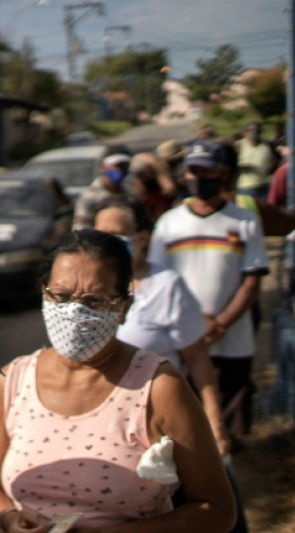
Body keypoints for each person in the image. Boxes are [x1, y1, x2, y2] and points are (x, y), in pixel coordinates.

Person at [0, 229, 235, 532]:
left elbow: (217, 510)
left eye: (95, 300)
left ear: (124, 307)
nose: (75, 311)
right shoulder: (12, 382)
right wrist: (8, 518)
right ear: (44, 294)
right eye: (61, 296)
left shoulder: (157, 387)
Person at [149, 141, 269, 441]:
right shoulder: (168, 223)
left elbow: (252, 281)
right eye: (192, 170)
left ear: (223, 173)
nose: (199, 177)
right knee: (184, 423)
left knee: (232, 425)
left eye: (207, 170)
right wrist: (191, 322)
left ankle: (230, 480)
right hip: (182, 339)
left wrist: (220, 322)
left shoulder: (245, 222)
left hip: (232, 339)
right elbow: (158, 281)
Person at [92, 198, 229, 454]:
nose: (107, 244)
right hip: (100, 427)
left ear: (142, 238)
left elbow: (198, 359)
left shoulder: (167, 286)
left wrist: (215, 429)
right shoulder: (84, 290)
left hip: (156, 426)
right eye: (100, 235)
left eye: (117, 235)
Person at [73, 153, 133, 230]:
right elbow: (81, 228)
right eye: (116, 166)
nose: (120, 170)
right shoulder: (89, 197)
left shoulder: (130, 193)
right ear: (102, 167)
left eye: (123, 167)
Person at [235, 123, 275, 200]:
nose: (253, 133)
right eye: (251, 130)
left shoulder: (267, 145)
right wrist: (242, 167)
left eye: (257, 131)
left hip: (263, 187)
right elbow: (232, 163)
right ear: (245, 132)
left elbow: (276, 159)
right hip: (245, 188)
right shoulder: (239, 145)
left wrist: (270, 170)